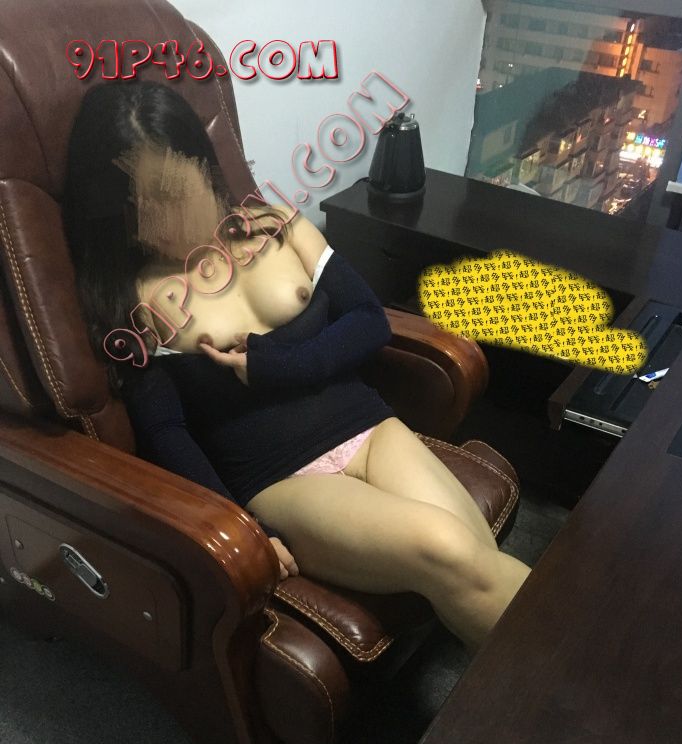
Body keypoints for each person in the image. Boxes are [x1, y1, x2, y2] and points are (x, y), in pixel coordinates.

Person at [62, 79, 531, 651]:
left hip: (369, 428)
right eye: (141, 205)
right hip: (282, 477)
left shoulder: (276, 223)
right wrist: (244, 530)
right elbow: (167, 433)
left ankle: (571, 677)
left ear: (204, 168)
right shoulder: (137, 304)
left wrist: (278, 365)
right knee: (448, 548)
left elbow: (369, 321)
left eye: (174, 191)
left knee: (475, 547)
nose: (163, 221)